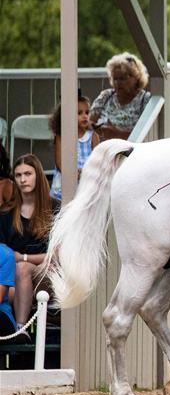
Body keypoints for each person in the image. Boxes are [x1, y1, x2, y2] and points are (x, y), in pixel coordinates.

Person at [0, 155, 58, 333]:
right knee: (18, 273)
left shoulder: (55, 208)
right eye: (18, 175)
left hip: (46, 276)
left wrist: (23, 258)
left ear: (38, 175)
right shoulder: (6, 212)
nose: (23, 179)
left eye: (28, 174)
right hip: (15, 283)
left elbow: (56, 256)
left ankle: (20, 328)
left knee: (23, 268)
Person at [89, 52, 152, 142]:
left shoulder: (145, 100)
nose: (118, 83)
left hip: (132, 151)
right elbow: (89, 123)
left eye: (122, 78)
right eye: (115, 79)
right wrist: (98, 129)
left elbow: (147, 135)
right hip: (103, 149)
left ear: (136, 77)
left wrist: (117, 134)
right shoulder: (106, 96)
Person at [48, 93, 100, 201]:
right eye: (79, 113)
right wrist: (72, 173)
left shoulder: (93, 136)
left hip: (87, 178)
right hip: (67, 179)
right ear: (67, 115)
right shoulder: (62, 136)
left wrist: (86, 173)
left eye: (87, 112)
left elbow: (98, 160)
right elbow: (59, 162)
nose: (85, 116)